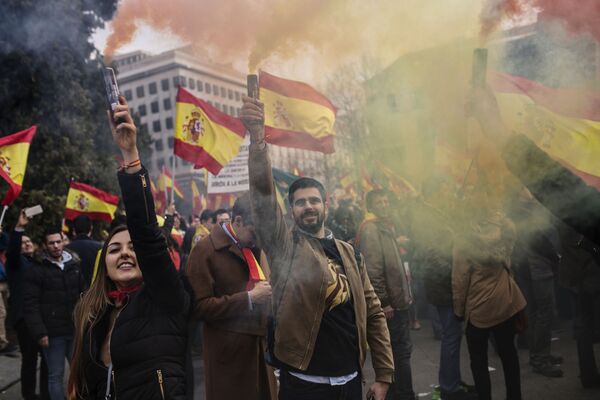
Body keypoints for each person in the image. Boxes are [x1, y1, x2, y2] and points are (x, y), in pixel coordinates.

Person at [241, 95, 394, 400]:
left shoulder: (350, 252)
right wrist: (258, 141)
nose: (308, 207)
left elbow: (374, 314)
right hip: (304, 385)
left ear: (326, 205)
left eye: (314, 200)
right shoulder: (285, 247)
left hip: (350, 380)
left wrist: (384, 374)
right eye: (300, 202)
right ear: (291, 209)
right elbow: (262, 194)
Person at [67, 96, 191, 399]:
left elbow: (147, 235)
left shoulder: (166, 297)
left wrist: (130, 154)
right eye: (114, 249)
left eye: (132, 248)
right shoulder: (94, 314)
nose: (124, 252)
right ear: (104, 265)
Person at [187, 193, 277, 400]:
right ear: (238, 221)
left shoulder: (254, 247)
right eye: (254, 233)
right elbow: (198, 307)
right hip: (227, 356)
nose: (258, 239)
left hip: (260, 352)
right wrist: (249, 298)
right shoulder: (205, 250)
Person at [411, 177, 475, 400]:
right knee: (451, 336)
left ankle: (453, 381)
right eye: (445, 188)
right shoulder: (430, 218)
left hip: (443, 286)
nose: (448, 193)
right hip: (444, 287)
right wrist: (459, 265)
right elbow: (435, 258)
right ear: (434, 194)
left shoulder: (436, 213)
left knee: (453, 336)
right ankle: (449, 387)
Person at [453, 211, 526, 400]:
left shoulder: (465, 240)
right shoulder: (504, 231)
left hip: (478, 308)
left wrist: (459, 311)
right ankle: (514, 397)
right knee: (509, 354)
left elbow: (460, 279)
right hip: (504, 303)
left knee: (478, 361)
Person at [356, 189, 415, 400]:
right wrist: (384, 302)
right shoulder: (372, 229)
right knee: (397, 353)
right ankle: (403, 395)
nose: (384, 204)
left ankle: (401, 394)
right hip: (390, 307)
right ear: (370, 207)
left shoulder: (384, 226)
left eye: (386, 200)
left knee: (400, 352)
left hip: (398, 303)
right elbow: (373, 270)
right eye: (379, 202)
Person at [24, 228, 85, 400]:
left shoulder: (74, 264)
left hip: (74, 329)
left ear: (63, 241)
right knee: (55, 376)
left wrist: (85, 321)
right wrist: (40, 332)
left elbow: (84, 293)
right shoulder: (37, 269)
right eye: (51, 243)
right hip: (52, 334)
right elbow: (31, 304)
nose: (56, 246)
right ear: (45, 245)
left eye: (59, 241)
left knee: (80, 373)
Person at [509, 190, 563, 377]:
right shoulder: (522, 210)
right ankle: (540, 358)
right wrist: (555, 257)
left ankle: (540, 355)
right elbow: (538, 240)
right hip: (537, 268)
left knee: (536, 313)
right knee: (543, 312)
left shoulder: (526, 208)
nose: (530, 189)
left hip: (529, 267)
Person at [6, 210, 49, 400]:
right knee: (30, 360)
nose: (27, 244)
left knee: (48, 360)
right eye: (23, 243)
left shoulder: (39, 263)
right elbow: (13, 249)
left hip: (43, 318)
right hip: (24, 319)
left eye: (29, 241)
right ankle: (29, 396)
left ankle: (46, 394)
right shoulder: (15, 263)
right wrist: (19, 228)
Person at [67, 215, 103, 286]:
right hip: (95, 289)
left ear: (74, 230)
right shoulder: (100, 247)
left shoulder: (66, 249)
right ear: (91, 228)